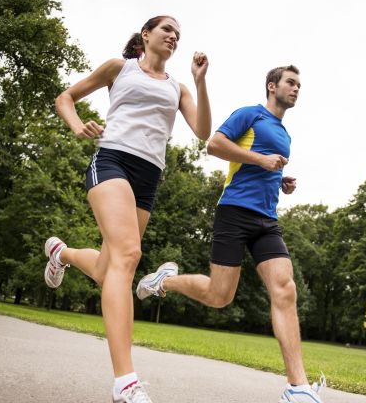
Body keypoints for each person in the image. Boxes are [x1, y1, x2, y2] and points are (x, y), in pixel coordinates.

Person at [136, 65, 327, 403]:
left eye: (300, 84)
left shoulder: (285, 133)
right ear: (272, 86)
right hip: (235, 213)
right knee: (219, 296)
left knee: (285, 289)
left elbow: (262, 166)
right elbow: (214, 145)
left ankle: (297, 387)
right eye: (291, 82)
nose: (297, 89)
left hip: (267, 219)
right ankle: (164, 281)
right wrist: (260, 161)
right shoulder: (249, 114)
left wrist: (279, 180)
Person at [46, 15, 211, 403]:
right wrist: (75, 125)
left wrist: (201, 82)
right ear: (146, 35)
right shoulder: (119, 69)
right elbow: (64, 98)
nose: (173, 36)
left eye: (178, 34)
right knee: (129, 255)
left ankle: (62, 253)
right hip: (112, 161)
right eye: (166, 29)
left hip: (148, 177)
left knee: (109, 270)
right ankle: (125, 382)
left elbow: (203, 131)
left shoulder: (178, 87)